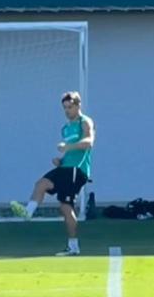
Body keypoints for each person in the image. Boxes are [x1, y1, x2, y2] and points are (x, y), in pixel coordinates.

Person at [10, 92, 96, 256]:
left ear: (78, 106)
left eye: (70, 107)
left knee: (66, 206)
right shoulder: (65, 128)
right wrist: (60, 160)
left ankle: (73, 247)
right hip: (65, 167)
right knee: (41, 184)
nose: (67, 111)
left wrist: (67, 147)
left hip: (77, 170)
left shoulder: (84, 121)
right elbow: (70, 151)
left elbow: (88, 142)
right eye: (65, 108)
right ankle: (28, 212)